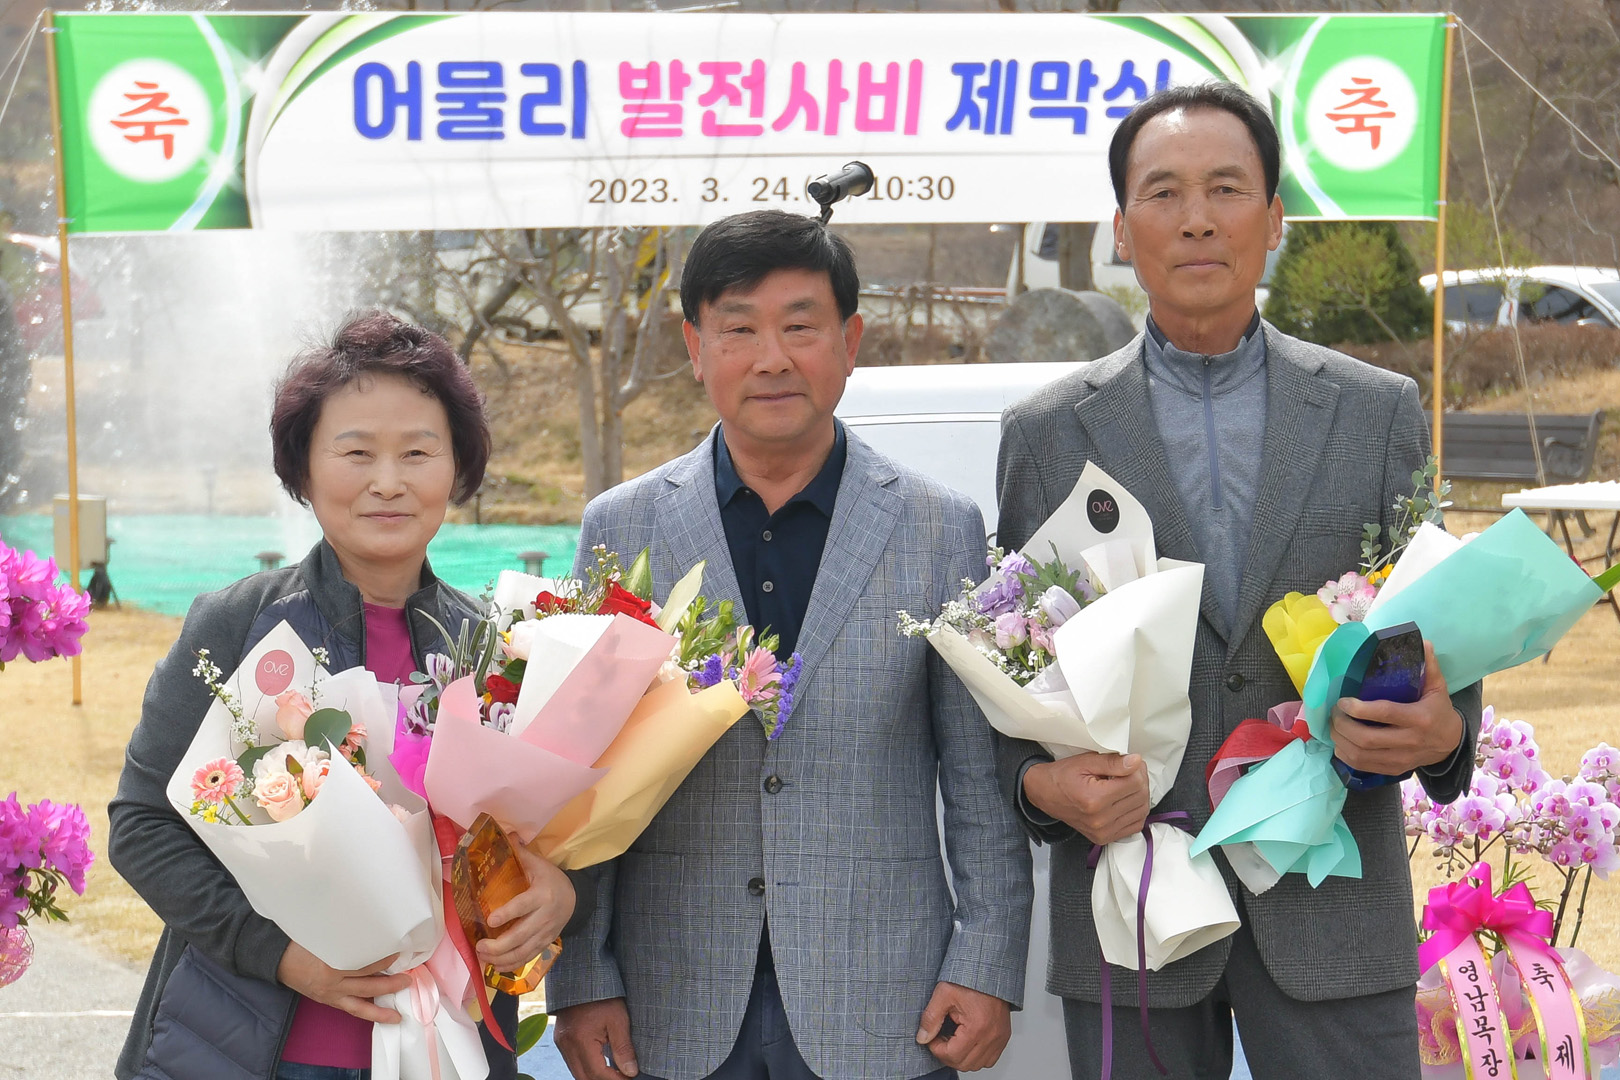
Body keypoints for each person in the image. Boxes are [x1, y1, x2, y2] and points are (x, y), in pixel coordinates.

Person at [994, 83, 1481, 1080]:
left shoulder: (1375, 410)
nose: (1198, 219)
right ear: (1121, 229)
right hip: (1133, 906)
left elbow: (1434, 624)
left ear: (1275, 218)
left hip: (1331, 902)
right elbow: (1008, 662)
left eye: (1226, 188)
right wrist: (1041, 786)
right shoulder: (1047, 434)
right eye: (1163, 193)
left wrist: (1447, 733)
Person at [547, 209, 1033, 1080]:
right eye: (738, 329)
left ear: (850, 341)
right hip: (671, 1000)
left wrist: (986, 962)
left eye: (800, 326)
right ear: (695, 348)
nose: (771, 358)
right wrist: (581, 980)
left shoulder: (939, 528)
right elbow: (579, 779)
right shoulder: (623, 527)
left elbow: (977, 777)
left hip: (884, 997)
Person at [109, 312, 581, 1080]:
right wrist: (280, 954)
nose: (388, 481)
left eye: (418, 453)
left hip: (447, 1047)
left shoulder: (497, 648)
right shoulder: (238, 624)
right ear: (302, 469)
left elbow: (538, 839)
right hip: (250, 1049)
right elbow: (143, 826)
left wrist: (559, 892)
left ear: (457, 468)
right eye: (356, 452)